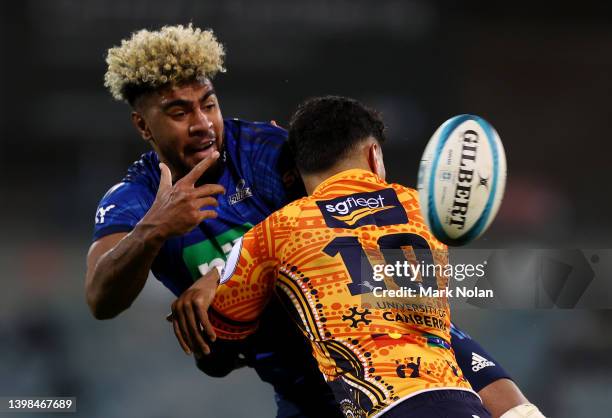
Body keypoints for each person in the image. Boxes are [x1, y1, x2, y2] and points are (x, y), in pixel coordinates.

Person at [86, 24, 538, 418]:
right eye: (179, 112)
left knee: (517, 409)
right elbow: (100, 298)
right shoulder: (136, 199)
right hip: (300, 381)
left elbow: (359, 214)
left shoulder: (263, 149)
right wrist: (155, 229)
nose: (203, 124)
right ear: (144, 126)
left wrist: (219, 276)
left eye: (209, 103)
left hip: (385, 335)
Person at [187, 95, 490, 417]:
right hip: (461, 401)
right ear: (374, 155)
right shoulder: (424, 209)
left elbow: (218, 347)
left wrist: (212, 285)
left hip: (383, 408)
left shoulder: (274, 231)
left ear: (296, 168)